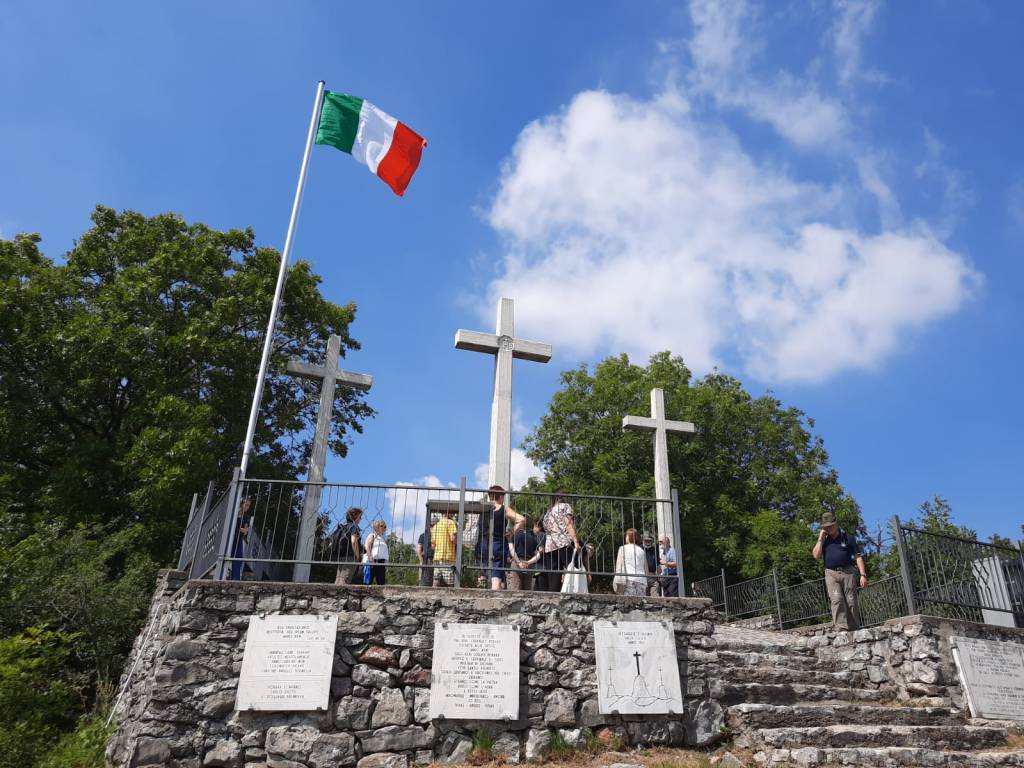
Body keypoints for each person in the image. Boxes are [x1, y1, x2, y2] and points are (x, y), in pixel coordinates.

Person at [813, 510, 868, 631]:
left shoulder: (848, 538)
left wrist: (863, 575)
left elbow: (858, 557)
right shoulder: (824, 541)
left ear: (836, 524)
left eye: (831, 526)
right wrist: (820, 538)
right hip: (831, 573)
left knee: (851, 601)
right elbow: (816, 556)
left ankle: (854, 629)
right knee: (837, 600)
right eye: (827, 527)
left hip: (848, 572)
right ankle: (841, 629)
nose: (830, 528)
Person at [482, 485, 525, 591]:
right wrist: (511, 532)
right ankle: (492, 605)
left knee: (484, 578)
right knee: (496, 578)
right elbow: (522, 519)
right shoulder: (504, 508)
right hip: (498, 545)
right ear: (500, 496)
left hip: (483, 545)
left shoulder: (484, 509)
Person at [539, 491, 581, 592]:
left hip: (550, 546)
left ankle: (553, 599)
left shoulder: (548, 512)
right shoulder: (566, 507)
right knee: (573, 569)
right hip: (563, 543)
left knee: (554, 575)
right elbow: (568, 524)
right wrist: (576, 542)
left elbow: (546, 528)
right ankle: (576, 592)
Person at [332, 507, 364, 585]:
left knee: (338, 580)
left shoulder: (344, 527)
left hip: (341, 556)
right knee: (345, 580)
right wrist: (357, 556)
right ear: (355, 517)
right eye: (360, 517)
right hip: (350, 557)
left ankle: (334, 595)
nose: (361, 519)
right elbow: (353, 541)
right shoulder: (354, 527)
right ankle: (341, 596)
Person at [614, 528, 650, 596]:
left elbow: (619, 566)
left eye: (626, 535)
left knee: (628, 604)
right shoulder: (642, 551)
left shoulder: (623, 548)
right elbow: (646, 569)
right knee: (640, 605)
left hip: (628, 579)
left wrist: (617, 579)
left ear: (629, 537)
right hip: (642, 580)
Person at [507, 515, 536, 591]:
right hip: (528, 563)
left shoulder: (515, 535)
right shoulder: (532, 537)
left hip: (517, 562)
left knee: (515, 588)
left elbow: (512, 550)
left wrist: (519, 562)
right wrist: (528, 562)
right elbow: (537, 553)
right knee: (527, 589)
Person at [430, 508, 458, 587]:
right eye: (451, 513)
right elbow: (453, 539)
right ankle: (453, 598)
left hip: (437, 556)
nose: (452, 515)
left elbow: (433, 545)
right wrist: (458, 541)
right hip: (448, 556)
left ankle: (432, 596)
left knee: (435, 580)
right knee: (450, 581)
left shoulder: (435, 526)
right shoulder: (450, 522)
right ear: (447, 513)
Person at [229, 498, 252, 581]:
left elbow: (246, 528)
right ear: (241, 504)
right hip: (230, 538)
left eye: (248, 505)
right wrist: (239, 529)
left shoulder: (246, 517)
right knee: (227, 556)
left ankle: (235, 579)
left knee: (238, 558)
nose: (247, 507)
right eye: (246, 505)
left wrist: (245, 531)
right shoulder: (234, 513)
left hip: (238, 539)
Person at [363, 519, 390, 586]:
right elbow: (367, 546)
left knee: (381, 582)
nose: (384, 528)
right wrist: (370, 557)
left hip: (381, 562)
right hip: (373, 561)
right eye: (382, 526)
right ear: (377, 527)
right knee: (369, 581)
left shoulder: (383, 538)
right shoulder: (372, 535)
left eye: (385, 526)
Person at [524, 520, 547, 591]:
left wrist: (528, 562)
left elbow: (541, 551)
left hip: (541, 568)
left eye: (537, 527)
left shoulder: (540, 535)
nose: (534, 529)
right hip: (539, 568)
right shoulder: (537, 536)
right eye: (534, 526)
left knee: (541, 590)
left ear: (541, 528)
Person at [642, 531, 660, 596]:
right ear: (643, 540)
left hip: (653, 575)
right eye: (646, 540)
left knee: (655, 590)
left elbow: (657, 563)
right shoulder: (640, 549)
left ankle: (656, 605)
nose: (647, 542)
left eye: (649, 541)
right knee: (644, 596)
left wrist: (658, 575)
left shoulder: (654, 549)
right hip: (642, 575)